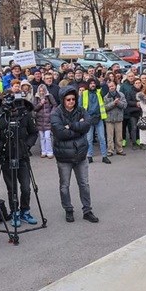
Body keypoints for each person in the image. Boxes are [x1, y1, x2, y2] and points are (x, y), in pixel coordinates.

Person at [49, 87, 99, 223]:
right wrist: (78, 128)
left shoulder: (81, 110)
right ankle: (68, 209)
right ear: (63, 100)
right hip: (64, 157)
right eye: (68, 99)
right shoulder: (55, 114)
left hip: (81, 154)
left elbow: (87, 125)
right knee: (64, 185)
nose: (71, 101)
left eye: (73, 99)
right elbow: (60, 133)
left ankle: (87, 210)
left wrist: (70, 126)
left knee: (84, 184)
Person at [0, 94, 38, 227]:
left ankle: (25, 211)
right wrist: (1, 147)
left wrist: (26, 146)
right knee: (12, 188)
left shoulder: (25, 115)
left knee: (26, 188)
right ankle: (14, 212)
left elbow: (34, 132)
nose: (14, 108)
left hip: (23, 157)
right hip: (6, 157)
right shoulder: (0, 117)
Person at [80, 79, 109, 163]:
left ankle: (104, 156)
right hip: (88, 119)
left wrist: (102, 80)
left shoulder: (99, 92)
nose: (92, 85)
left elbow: (105, 88)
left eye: (94, 83)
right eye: (91, 83)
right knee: (89, 139)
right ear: (88, 85)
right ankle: (89, 156)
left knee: (102, 138)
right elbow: (80, 106)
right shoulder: (84, 93)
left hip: (98, 118)